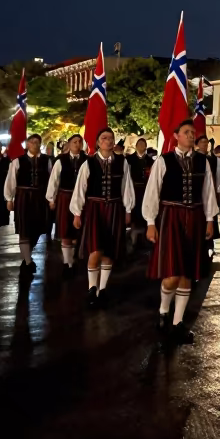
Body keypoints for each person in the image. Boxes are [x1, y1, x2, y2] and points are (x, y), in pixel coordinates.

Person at [143, 119, 217, 344]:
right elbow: (153, 191)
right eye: (187, 132)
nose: (191, 135)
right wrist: (150, 222)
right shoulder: (163, 160)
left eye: (193, 132)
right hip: (171, 218)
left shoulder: (203, 161)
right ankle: (163, 311)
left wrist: (210, 220)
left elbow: (208, 192)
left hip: (195, 217)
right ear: (176, 136)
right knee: (172, 273)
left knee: (188, 272)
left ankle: (178, 323)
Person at [71, 128, 135, 309]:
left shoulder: (122, 162)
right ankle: (92, 288)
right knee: (95, 249)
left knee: (109, 251)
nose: (108, 141)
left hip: (114, 208)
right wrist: (77, 212)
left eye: (111, 138)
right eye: (104, 138)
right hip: (94, 209)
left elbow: (126, 187)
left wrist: (128, 209)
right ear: (98, 142)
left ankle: (102, 290)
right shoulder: (88, 163)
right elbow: (80, 188)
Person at [4, 134, 51, 273]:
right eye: (32, 142)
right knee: (24, 228)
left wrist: (51, 198)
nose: (35, 144)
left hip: (40, 197)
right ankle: (28, 261)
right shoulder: (18, 161)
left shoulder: (47, 161)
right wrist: (9, 199)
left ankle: (27, 256)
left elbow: (52, 180)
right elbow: (11, 180)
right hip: (23, 197)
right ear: (28, 144)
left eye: (37, 142)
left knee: (37, 229)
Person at [44, 134, 87, 275]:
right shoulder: (61, 160)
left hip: (82, 198)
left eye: (80, 142)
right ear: (69, 144)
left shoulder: (87, 160)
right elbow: (54, 180)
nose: (77, 144)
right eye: (75, 142)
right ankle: (67, 263)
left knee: (78, 231)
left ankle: (73, 260)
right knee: (65, 231)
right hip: (65, 197)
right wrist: (51, 199)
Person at [127, 137, 155, 246]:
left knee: (145, 210)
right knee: (134, 211)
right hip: (133, 189)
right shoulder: (129, 159)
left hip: (146, 189)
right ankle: (133, 237)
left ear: (146, 147)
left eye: (143, 145)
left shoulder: (150, 160)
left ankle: (144, 237)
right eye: (139, 144)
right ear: (136, 146)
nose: (141, 146)